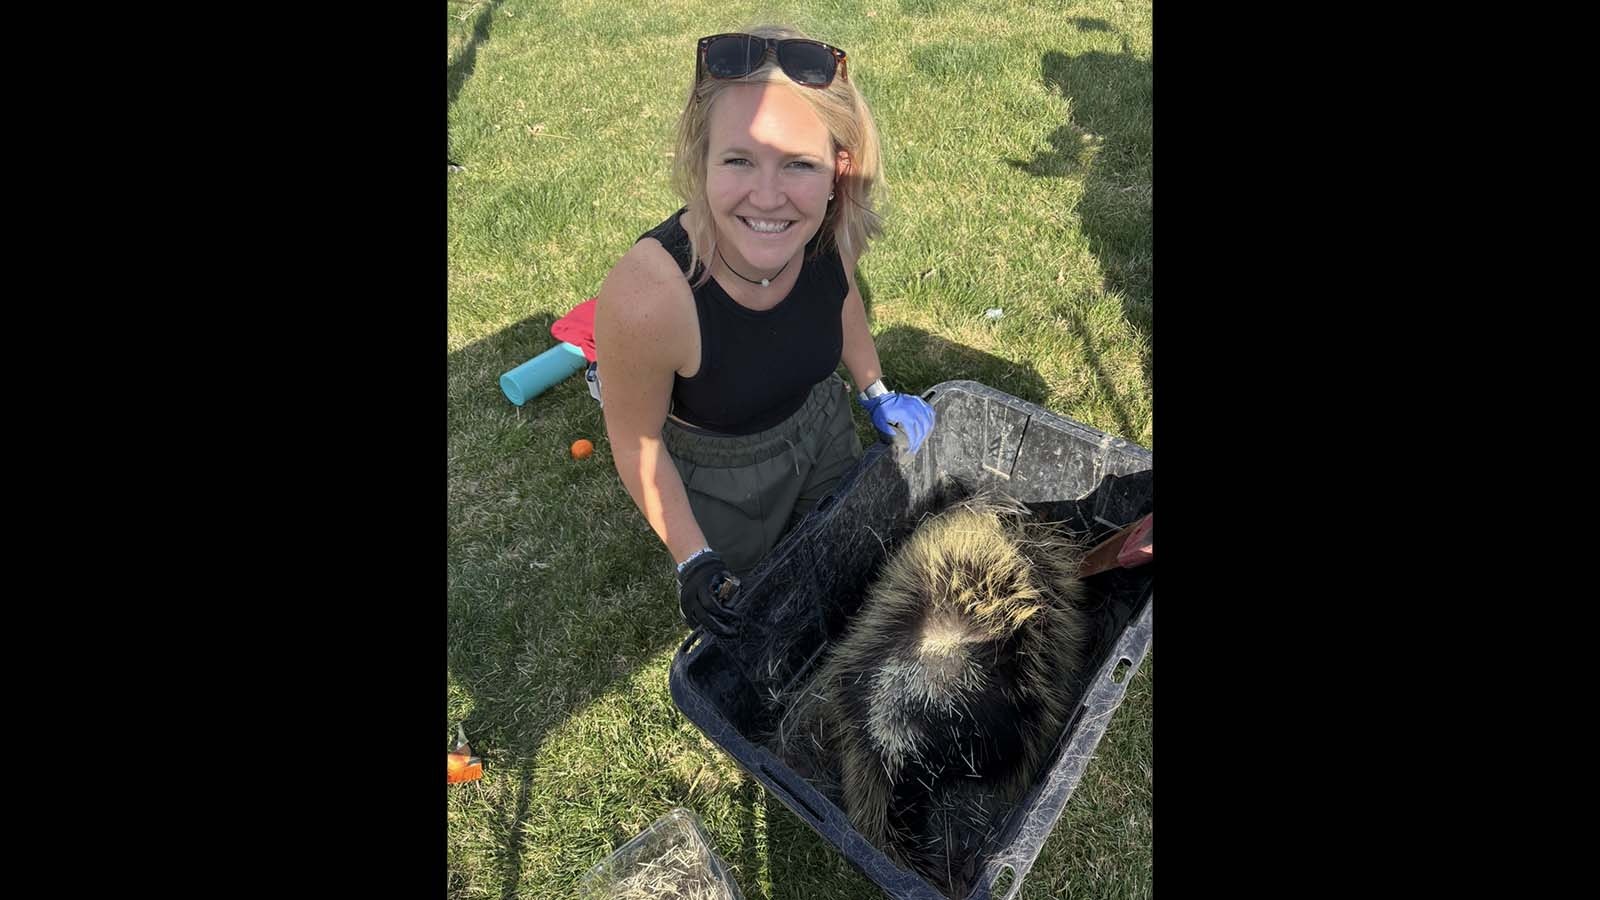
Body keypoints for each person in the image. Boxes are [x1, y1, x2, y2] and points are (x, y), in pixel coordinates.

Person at [593, 26, 935, 637]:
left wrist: (873, 389)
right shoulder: (649, 299)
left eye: (799, 164)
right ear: (701, 159)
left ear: (839, 168)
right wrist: (695, 560)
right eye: (739, 159)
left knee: (854, 561)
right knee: (768, 616)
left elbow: (843, 302)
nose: (769, 198)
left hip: (822, 425)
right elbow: (637, 443)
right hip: (721, 477)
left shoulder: (830, 230)